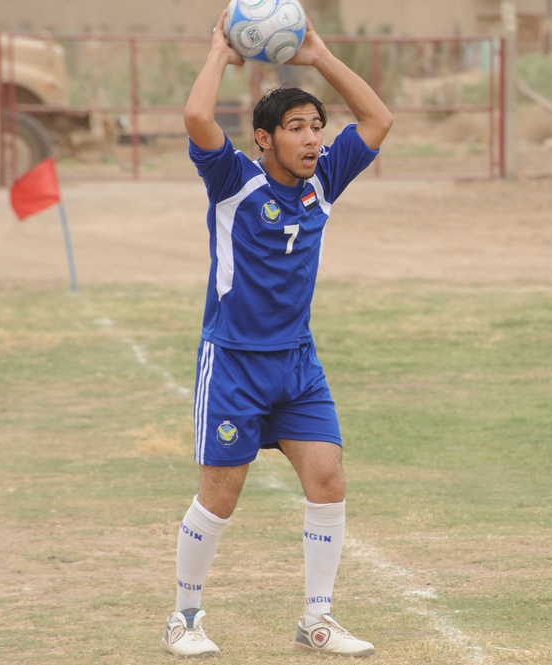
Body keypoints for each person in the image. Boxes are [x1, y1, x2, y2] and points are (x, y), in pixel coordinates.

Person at [161, 7, 393, 659]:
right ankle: (183, 617)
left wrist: (319, 55)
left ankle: (317, 619)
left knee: (327, 476)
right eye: (296, 127)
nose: (313, 138)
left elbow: (378, 121)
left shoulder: (324, 182)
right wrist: (219, 53)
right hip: (233, 362)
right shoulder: (235, 181)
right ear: (263, 138)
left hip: (297, 365)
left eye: (317, 126)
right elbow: (197, 120)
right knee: (221, 493)